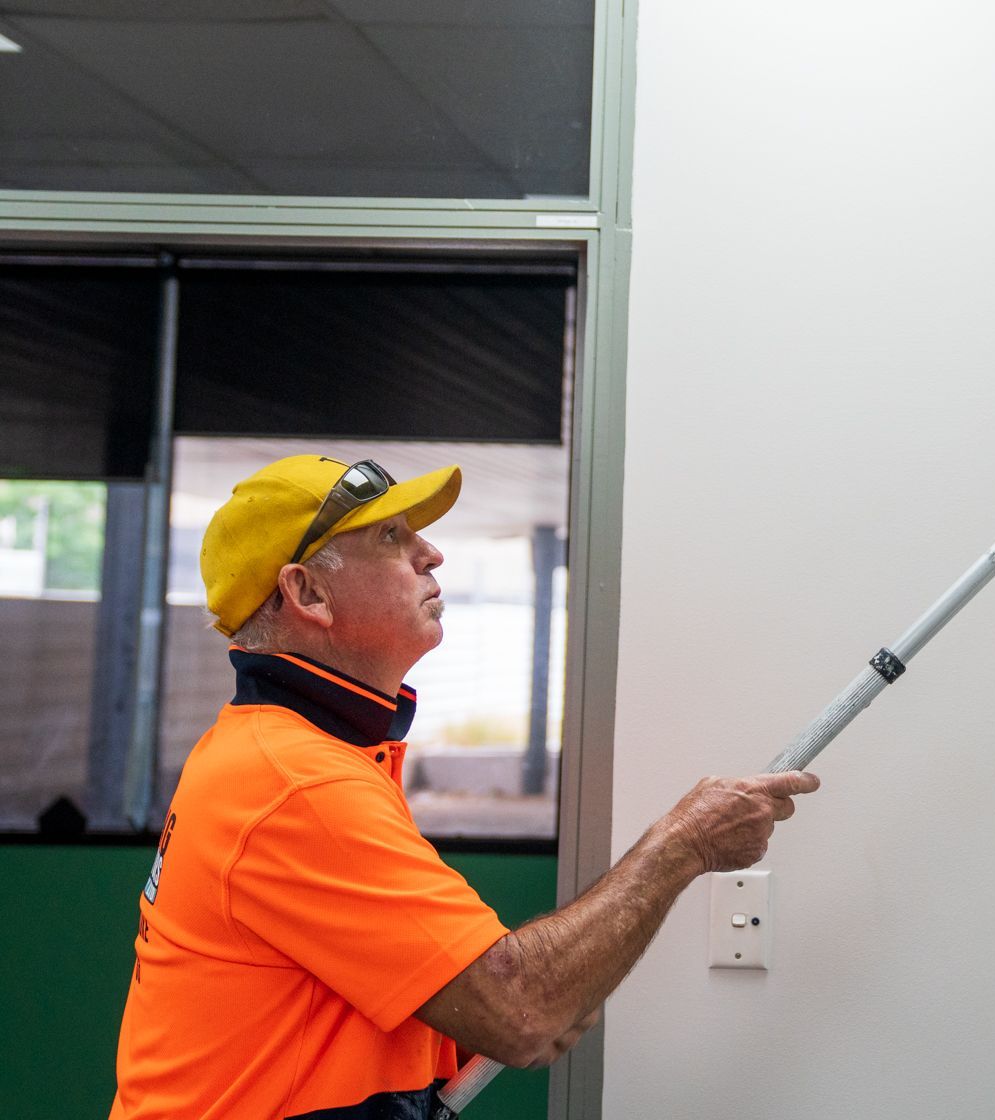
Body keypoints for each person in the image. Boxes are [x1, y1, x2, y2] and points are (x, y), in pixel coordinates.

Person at [109, 455, 819, 1119]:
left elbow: (476, 1009)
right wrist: (684, 842)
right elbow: (522, 1011)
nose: (432, 554)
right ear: (308, 592)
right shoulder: (296, 782)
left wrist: (538, 989)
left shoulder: (306, 752)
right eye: (391, 537)